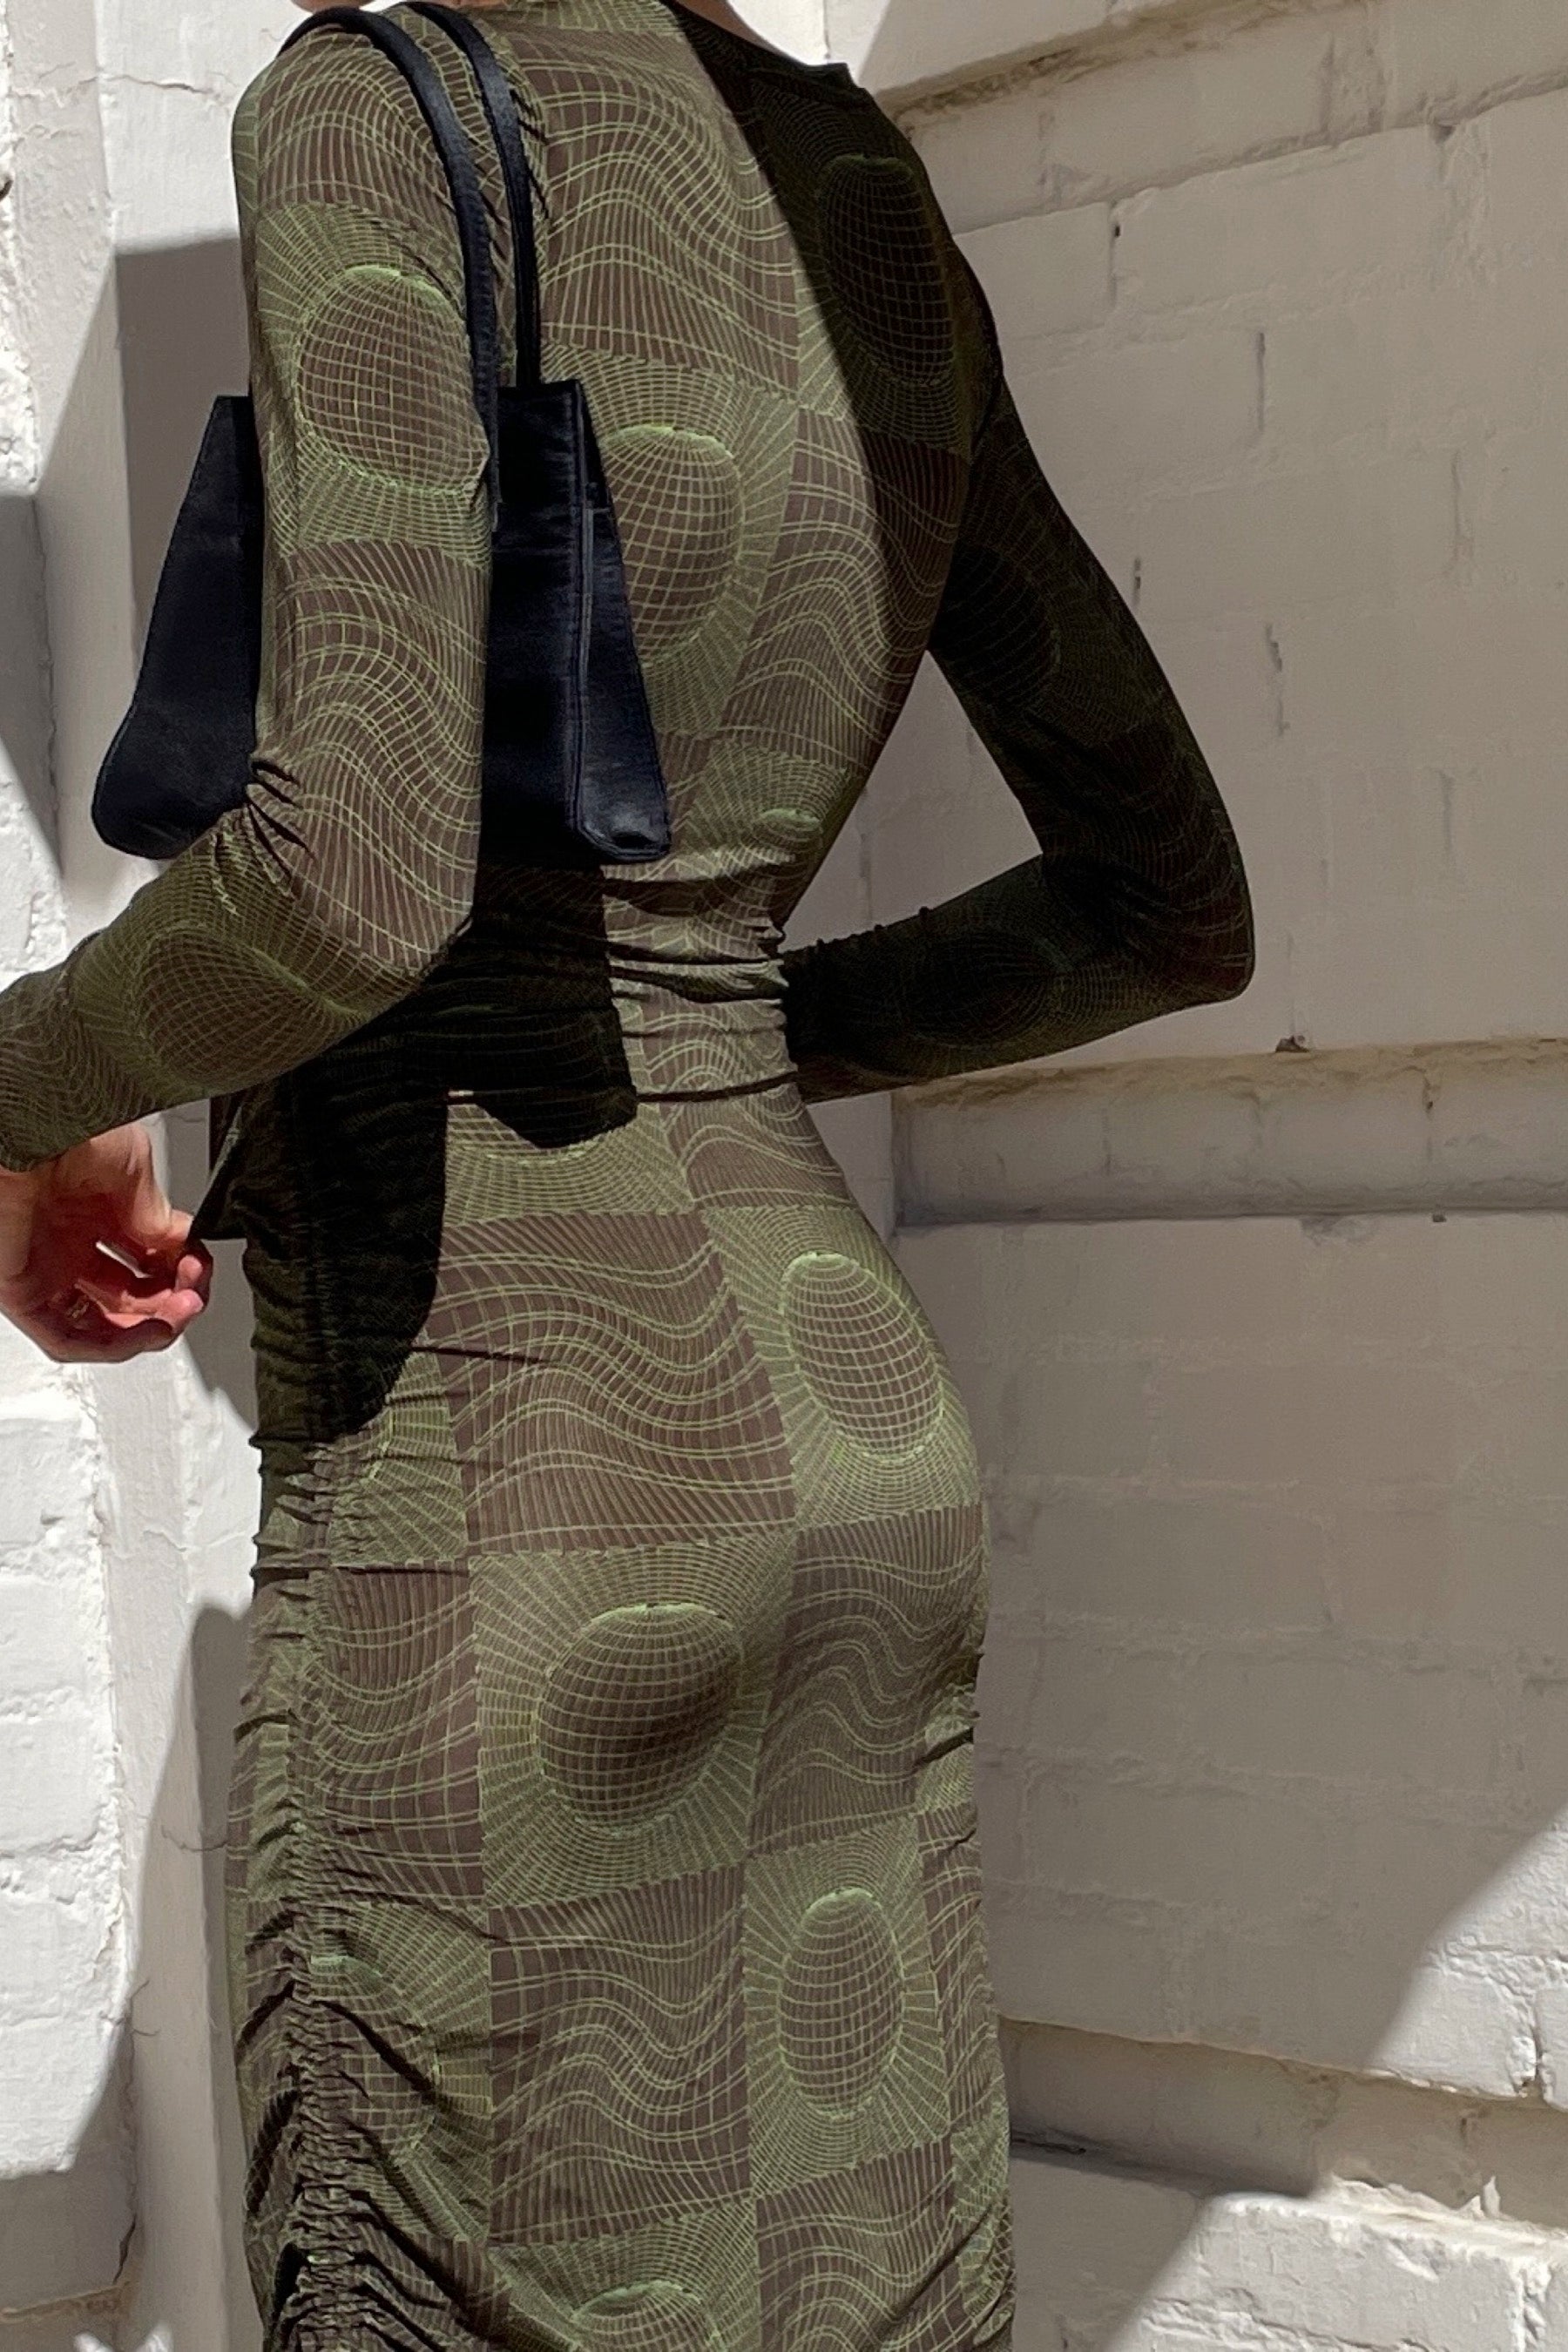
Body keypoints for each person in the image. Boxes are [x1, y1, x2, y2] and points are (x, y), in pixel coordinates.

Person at [0, 0, 1255, 2340]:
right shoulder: (858, 192)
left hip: (520, 1490)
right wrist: (722, 1034)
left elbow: (351, 879)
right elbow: (1164, 904)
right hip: (849, 1452)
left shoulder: (366, 107)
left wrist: (17, 1079)